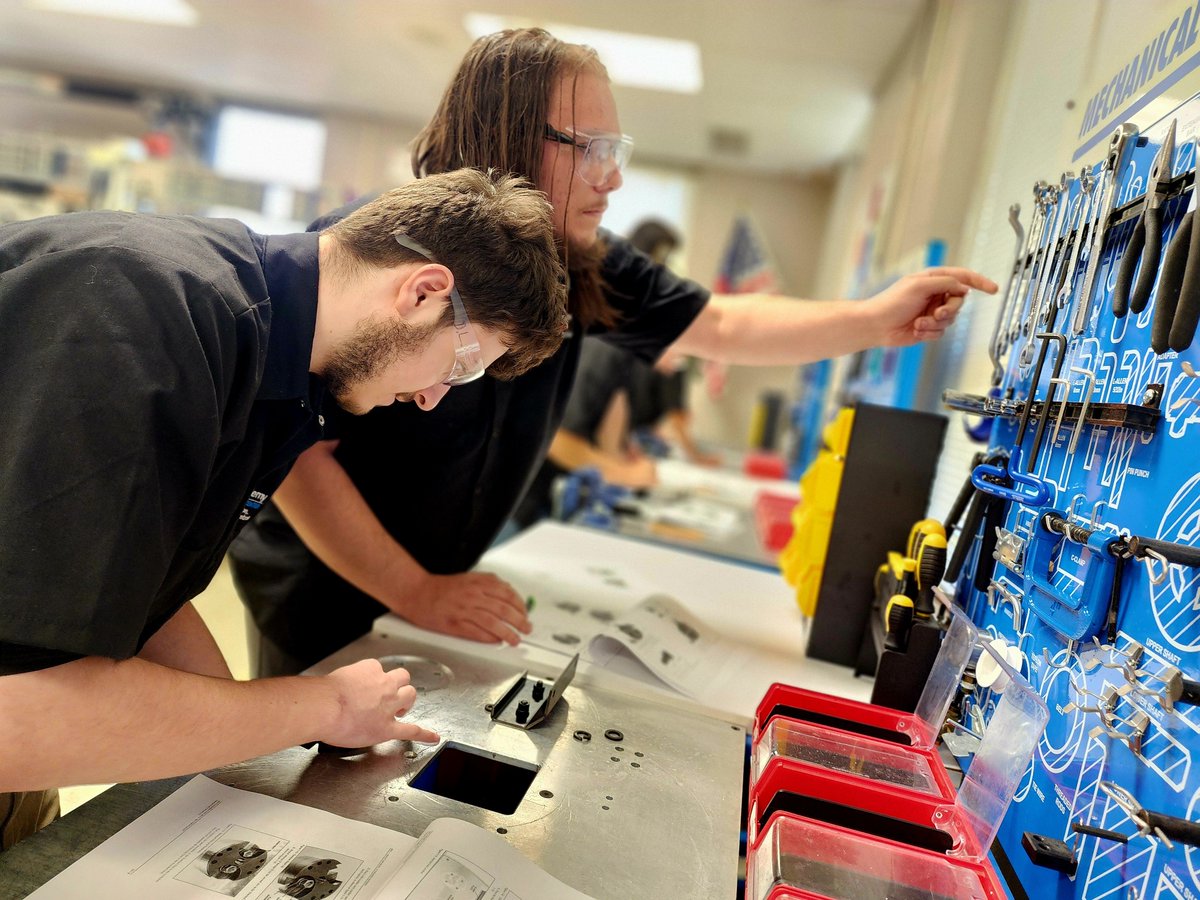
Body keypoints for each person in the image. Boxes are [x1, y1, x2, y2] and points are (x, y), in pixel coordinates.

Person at [229, 27, 997, 677]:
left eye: (615, 148)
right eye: (591, 149)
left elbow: (720, 324)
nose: (615, 177)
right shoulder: (375, 253)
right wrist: (414, 588)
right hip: (322, 583)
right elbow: (298, 457)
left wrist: (872, 319)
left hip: (437, 581)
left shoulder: (579, 260)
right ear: (511, 142)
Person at [0, 169, 567, 839]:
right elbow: (19, 717)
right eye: (460, 366)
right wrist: (318, 706)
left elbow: (130, 583)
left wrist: (232, 743)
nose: (434, 397)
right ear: (423, 291)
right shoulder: (147, 318)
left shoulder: (281, 368)